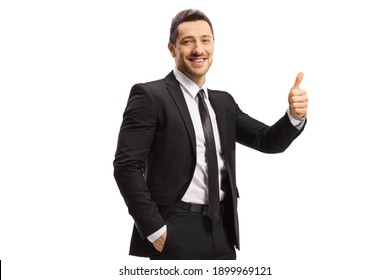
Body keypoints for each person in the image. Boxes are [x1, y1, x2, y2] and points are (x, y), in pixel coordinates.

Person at [113, 9, 308, 260]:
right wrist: (154, 229)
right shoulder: (150, 96)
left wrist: (294, 116)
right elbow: (126, 166)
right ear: (172, 49)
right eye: (187, 41)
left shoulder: (223, 103)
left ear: (213, 45)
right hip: (174, 226)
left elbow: (266, 140)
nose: (198, 49)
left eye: (205, 40)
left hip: (223, 230)